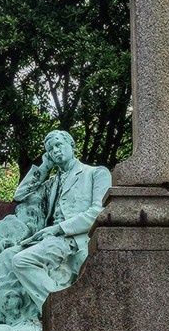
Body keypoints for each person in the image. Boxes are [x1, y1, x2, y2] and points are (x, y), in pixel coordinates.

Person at [10, 130, 111, 311]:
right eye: (50, 149)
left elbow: (98, 212)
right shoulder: (52, 183)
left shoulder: (96, 173)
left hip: (75, 239)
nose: (55, 151)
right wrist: (44, 167)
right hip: (51, 240)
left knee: (21, 261)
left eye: (58, 145)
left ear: (71, 146)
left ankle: (60, 309)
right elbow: (19, 195)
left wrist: (58, 229)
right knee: (6, 257)